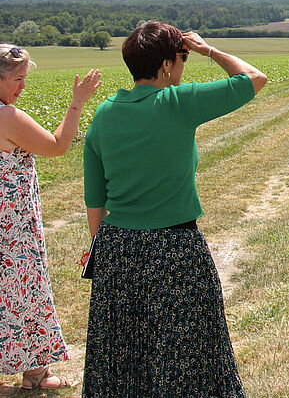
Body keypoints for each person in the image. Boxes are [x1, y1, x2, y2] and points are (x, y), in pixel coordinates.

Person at [81, 21, 267, 397]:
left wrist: (106, 252)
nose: (185, 65)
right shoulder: (177, 103)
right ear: (167, 65)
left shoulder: (104, 114)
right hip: (175, 249)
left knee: (123, 355)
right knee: (188, 351)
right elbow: (253, 78)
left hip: (117, 250)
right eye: (182, 58)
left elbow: (94, 200)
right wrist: (206, 49)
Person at [0, 44, 101, 390]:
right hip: (12, 226)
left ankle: (31, 372)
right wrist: (77, 103)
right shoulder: (7, 117)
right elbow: (58, 145)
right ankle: (36, 374)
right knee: (24, 289)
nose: (23, 86)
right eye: (17, 79)